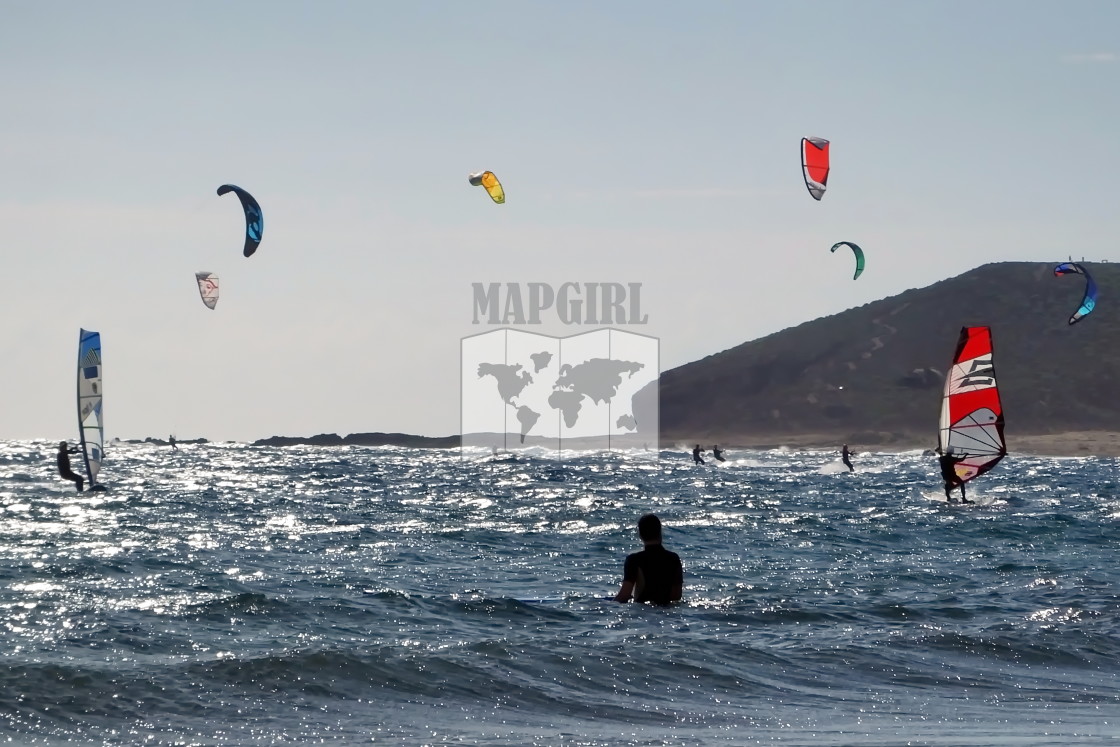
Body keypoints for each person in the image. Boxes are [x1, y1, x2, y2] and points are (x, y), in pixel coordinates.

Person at [615, 513, 683, 605]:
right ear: (660, 532)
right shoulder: (673, 558)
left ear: (640, 536)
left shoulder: (634, 560)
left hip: (643, 612)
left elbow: (624, 595)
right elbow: (676, 595)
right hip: (668, 612)